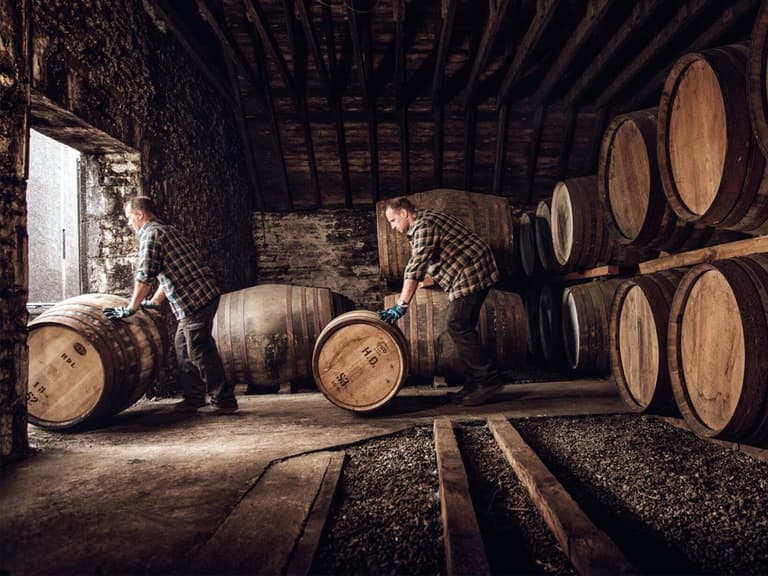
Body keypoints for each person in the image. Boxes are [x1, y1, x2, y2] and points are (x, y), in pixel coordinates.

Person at [102, 196, 237, 415]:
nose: (129, 223)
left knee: (199, 350)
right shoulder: (167, 231)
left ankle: (224, 400)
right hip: (200, 297)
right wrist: (155, 301)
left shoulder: (151, 235)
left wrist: (132, 307)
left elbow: (145, 275)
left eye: (129, 218)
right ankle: (194, 398)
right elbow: (172, 272)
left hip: (196, 299)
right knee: (182, 347)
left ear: (140, 214)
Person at [377, 196, 503, 406]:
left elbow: (415, 267)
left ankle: (488, 380)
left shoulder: (424, 226)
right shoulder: (425, 221)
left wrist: (401, 305)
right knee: (464, 326)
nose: (392, 227)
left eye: (393, 220)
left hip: (473, 270)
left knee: (457, 324)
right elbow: (428, 267)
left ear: (404, 213)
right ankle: (474, 383)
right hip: (469, 270)